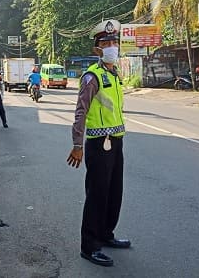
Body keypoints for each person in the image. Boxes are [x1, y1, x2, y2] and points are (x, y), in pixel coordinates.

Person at [67, 19, 131, 268]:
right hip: (98, 144)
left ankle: (106, 234)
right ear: (97, 49)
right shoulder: (92, 77)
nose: (112, 46)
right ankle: (89, 246)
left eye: (114, 42)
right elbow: (80, 111)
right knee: (97, 195)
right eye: (106, 43)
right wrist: (77, 144)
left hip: (116, 142)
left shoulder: (114, 75)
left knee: (114, 192)